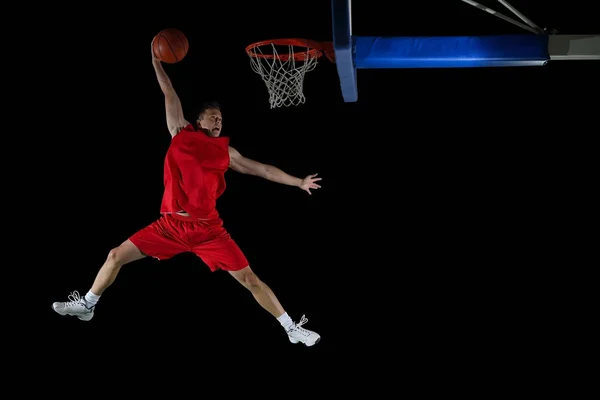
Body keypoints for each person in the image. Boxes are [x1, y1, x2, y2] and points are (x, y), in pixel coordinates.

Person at [51, 38, 322, 347]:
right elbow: (169, 93)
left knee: (250, 279)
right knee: (114, 256)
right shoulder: (180, 134)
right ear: (199, 120)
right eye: (213, 116)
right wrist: (156, 63)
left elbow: (261, 169)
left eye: (221, 118)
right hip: (169, 227)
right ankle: (87, 305)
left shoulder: (226, 152)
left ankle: (290, 328)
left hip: (208, 230)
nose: (218, 120)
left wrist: (298, 181)